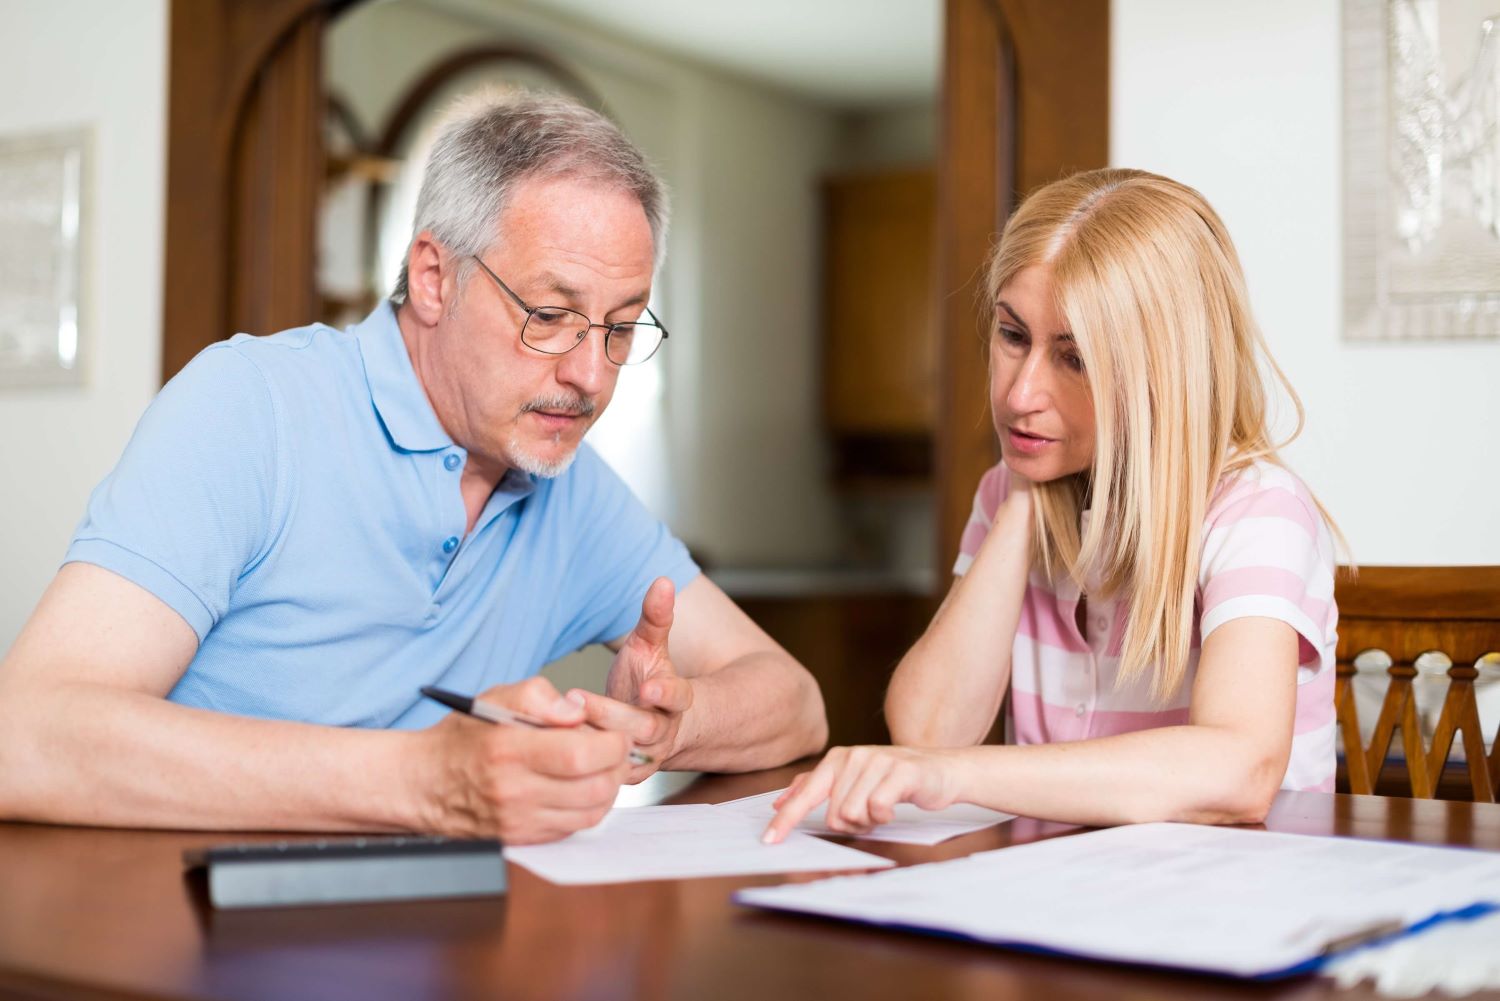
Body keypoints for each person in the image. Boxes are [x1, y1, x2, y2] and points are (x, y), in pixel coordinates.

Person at [0, 90, 826, 845]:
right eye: (550, 315)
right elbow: (25, 735)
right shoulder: (253, 407)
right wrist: (432, 780)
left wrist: (671, 723)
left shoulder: (567, 485)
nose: (593, 377)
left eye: (618, 327)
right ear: (434, 277)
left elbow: (795, 702)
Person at [765, 168, 1340, 843]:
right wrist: (1019, 499)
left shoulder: (1256, 510)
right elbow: (928, 731)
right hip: (1064, 884)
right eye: (1013, 336)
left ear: (1164, 375)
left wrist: (962, 776)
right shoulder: (1009, 492)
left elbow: (1238, 769)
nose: (1020, 394)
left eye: (1075, 358)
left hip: (1228, 901)